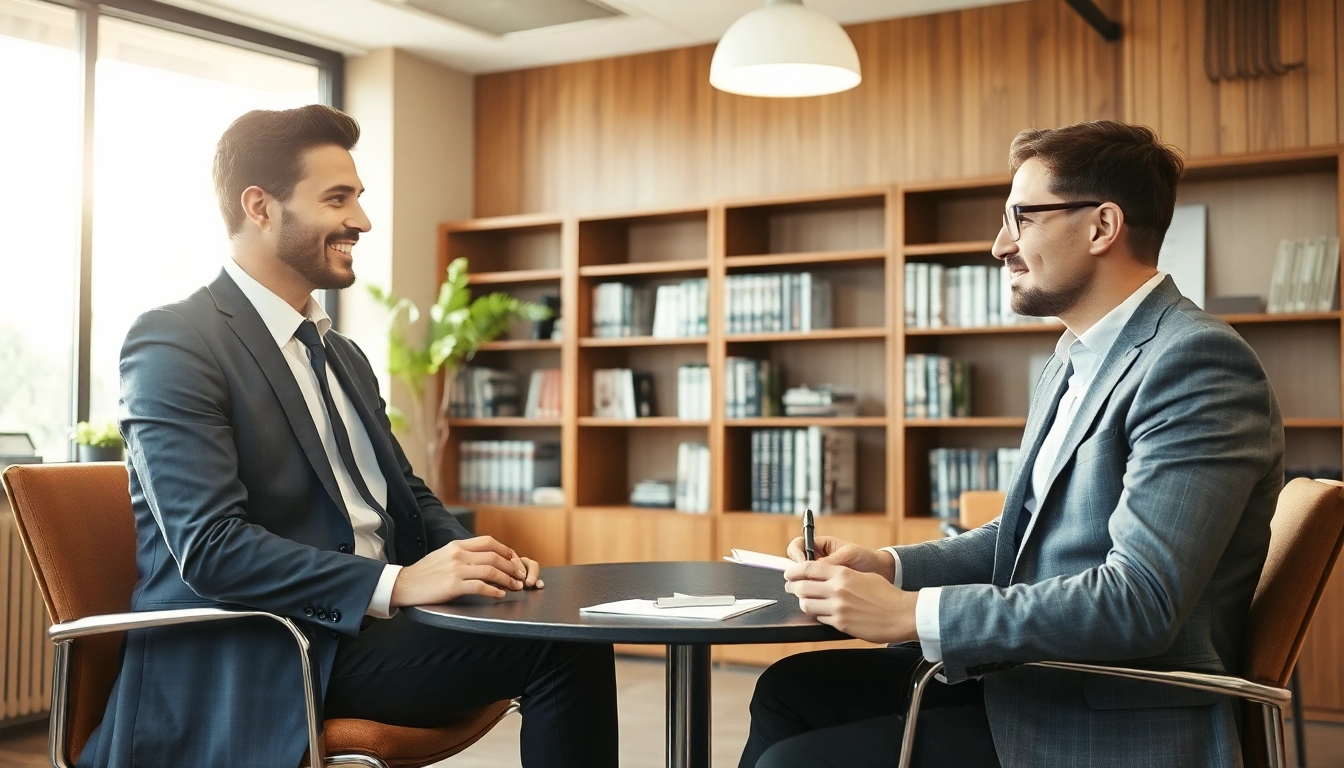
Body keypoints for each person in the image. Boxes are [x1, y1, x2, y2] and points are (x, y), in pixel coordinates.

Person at [81, 104, 618, 768]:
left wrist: (476, 560)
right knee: (561, 651)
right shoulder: (175, 342)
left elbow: (407, 498)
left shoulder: (343, 355)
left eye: (358, 198)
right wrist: (395, 582)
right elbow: (211, 547)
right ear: (261, 207)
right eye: (338, 199)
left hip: (362, 630)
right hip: (269, 649)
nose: (362, 220)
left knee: (563, 626)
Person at [739, 120, 1284, 768]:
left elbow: (1141, 601)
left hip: (1102, 719)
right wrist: (889, 567)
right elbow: (1018, 537)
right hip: (1027, 678)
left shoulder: (1195, 362)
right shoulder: (1070, 362)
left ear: (1101, 226)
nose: (1000, 245)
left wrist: (915, 614)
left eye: (1021, 218)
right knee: (788, 690)